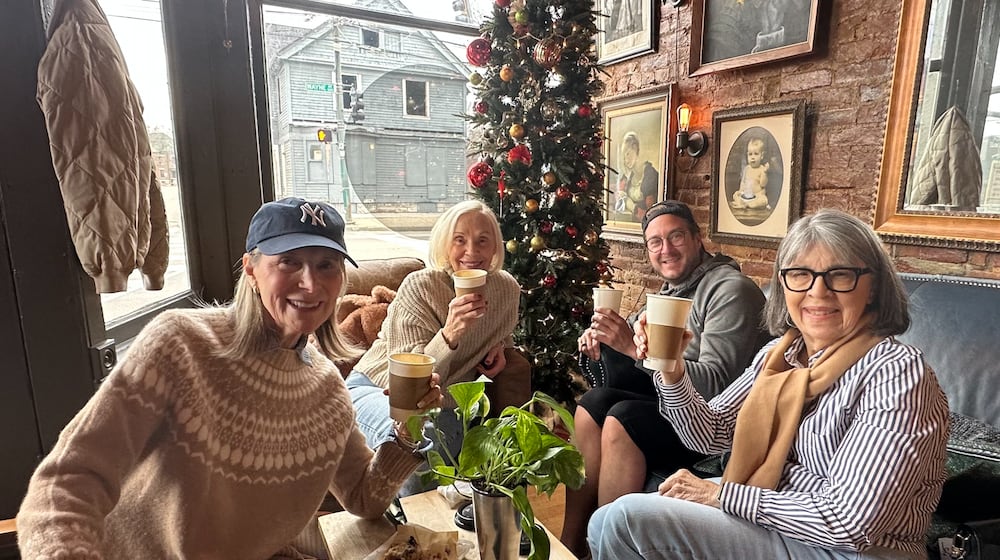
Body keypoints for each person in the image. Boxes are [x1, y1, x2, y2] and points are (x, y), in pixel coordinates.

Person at [16, 197, 442, 559]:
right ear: (251, 269)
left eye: (326, 264)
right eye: (289, 262)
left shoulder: (328, 389)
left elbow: (364, 500)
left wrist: (407, 430)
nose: (311, 284)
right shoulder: (181, 344)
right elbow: (65, 484)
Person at [587, 208, 950, 560]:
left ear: (872, 288)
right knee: (603, 520)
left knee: (625, 521)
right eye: (800, 274)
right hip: (781, 513)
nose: (818, 291)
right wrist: (671, 369)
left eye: (840, 275)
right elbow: (709, 435)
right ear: (784, 284)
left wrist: (721, 496)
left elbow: (850, 523)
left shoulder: (897, 372)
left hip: (853, 549)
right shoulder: (781, 355)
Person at [561, 200, 769, 557]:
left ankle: (609, 548)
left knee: (623, 419)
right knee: (594, 404)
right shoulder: (668, 293)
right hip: (672, 407)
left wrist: (632, 349)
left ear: (697, 238)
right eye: (655, 242)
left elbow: (717, 385)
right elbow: (631, 359)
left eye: (676, 237)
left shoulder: (730, 290)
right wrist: (600, 344)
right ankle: (570, 544)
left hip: (714, 427)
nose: (666, 249)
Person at [346, 200, 526, 488]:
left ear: (495, 247)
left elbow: (501, 332)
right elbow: (409, 388)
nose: (472, 251)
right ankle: (409, 517)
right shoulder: (420, 286)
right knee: (421, 438)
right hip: (382, 391)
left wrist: (501, 351)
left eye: (483, 240)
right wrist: (451, 332)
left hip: (447, 406)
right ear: (444, 245)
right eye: (460, 240)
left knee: (493, 449)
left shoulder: (507, 289)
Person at [614, 132, 659, 222]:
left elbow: (650, 216)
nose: (626, 160)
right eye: (623, 157)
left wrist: (630, 205)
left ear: (635, 150)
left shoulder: (650, 175)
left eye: (628, 154)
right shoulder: (629, 177)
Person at [732, 136, 771, 210]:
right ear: (747, 155)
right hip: (746, 195)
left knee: (764, 200)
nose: (753, 157)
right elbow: (743, 181)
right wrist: (740, 191)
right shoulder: (747, 168)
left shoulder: (762, 169)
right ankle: (742, 203)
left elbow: (763, 184)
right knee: (735, 195)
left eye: (756, 154)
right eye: (750, 154)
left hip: (757, 196)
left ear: (761, 156)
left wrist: (765, 172)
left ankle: (747, 205)